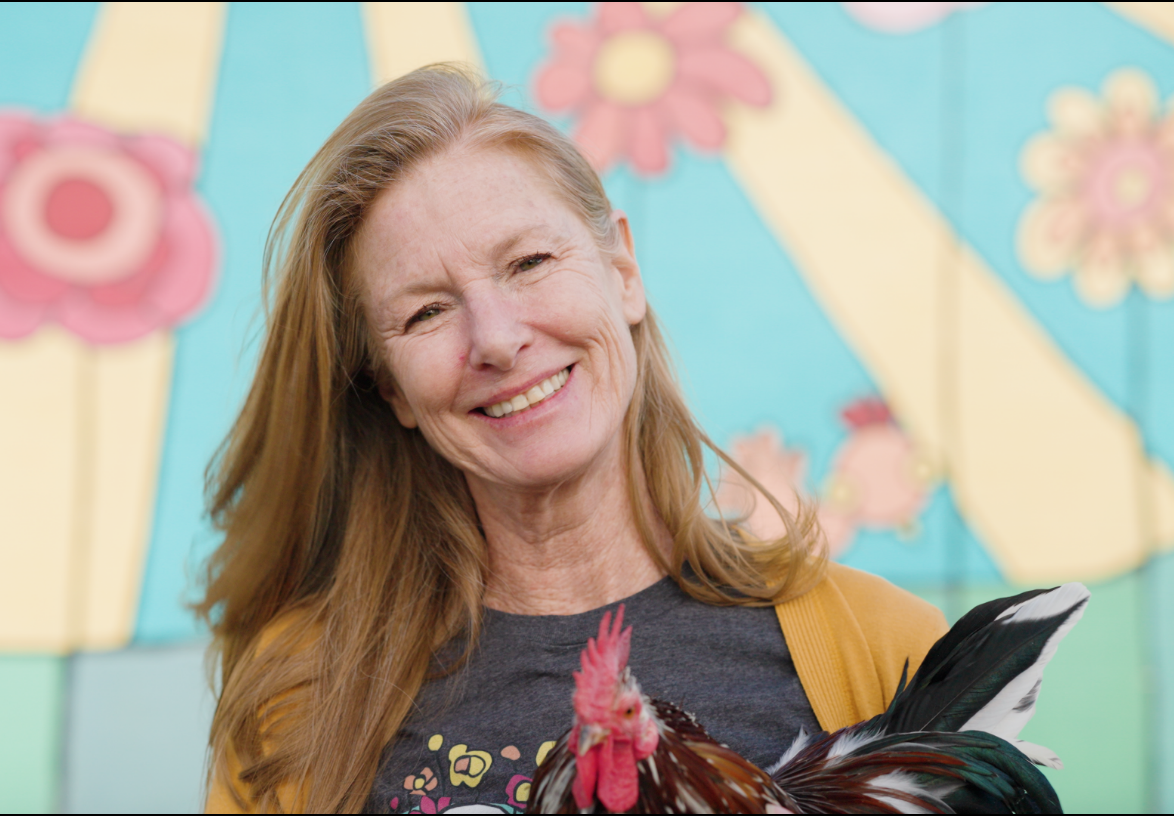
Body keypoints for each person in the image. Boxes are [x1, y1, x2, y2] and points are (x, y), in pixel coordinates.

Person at [201, 64, 945, 814]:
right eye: (426, 313)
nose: (496, 340)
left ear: (622, 270)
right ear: (390, 387)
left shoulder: (889, 651)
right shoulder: (299, 701)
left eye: (529, 263)